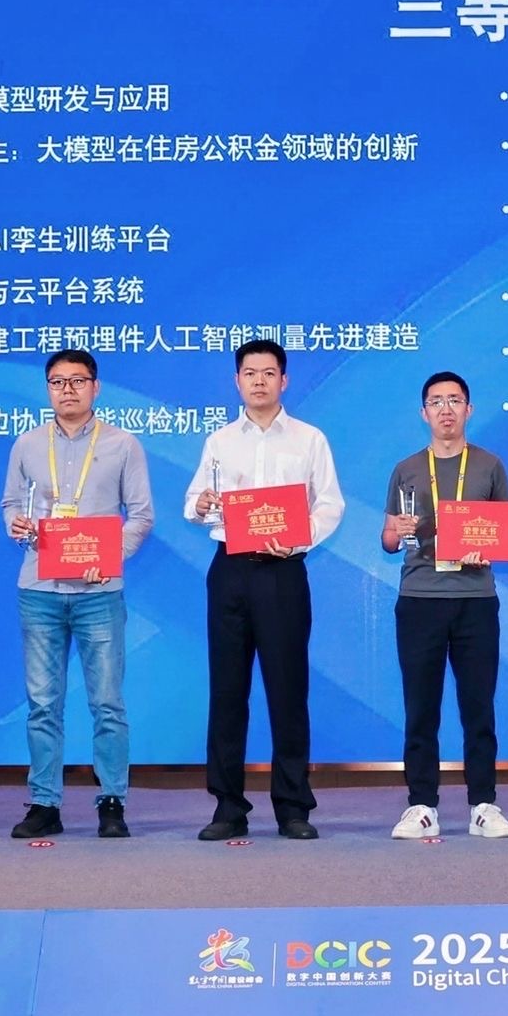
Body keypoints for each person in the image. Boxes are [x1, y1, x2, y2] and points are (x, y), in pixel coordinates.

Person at [183, 338, 343, 842]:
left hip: (283, 572)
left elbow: (330, 504)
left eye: (268, 373)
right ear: (237, 381)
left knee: (288, 690)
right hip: (230, 570)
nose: (259, 381)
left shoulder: (309, 439)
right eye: (250, 373)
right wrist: (201, 504)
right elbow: (194, 501)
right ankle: (228, 805)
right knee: (227, 692)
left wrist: (299, 538)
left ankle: (293, 807)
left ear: (284, 380)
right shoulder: (219, 441)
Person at [1, 348, 153, 840]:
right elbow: (10, 504)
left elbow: (142, 515)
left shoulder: (123, 445)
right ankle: (45, 803)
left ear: (95, 387)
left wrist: (109, 555)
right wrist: (16, 524)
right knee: (43, 703)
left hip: (99, 592)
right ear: (48, 389)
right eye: (57, 382)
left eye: (77, 380)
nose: (67, 389)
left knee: (107, 703)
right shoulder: (27, 444)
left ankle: (112, 800)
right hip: (39, 590)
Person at [381, 370, 508, 840]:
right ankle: (422, 805)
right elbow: (388, 539)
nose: (445, 409)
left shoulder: (490, 466)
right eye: (436, 401)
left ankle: (484, 804)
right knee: (421, 708)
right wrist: (396, 531)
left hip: (475, 600)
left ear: (468, 410)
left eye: (454, 400)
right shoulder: (406, 469)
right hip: (420, 599)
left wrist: (487, 548)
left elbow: (502, 534)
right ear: (424, 413)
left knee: (479, 707)